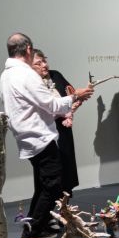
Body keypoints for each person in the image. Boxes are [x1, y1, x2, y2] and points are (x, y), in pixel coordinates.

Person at [0, 33, 93, 238]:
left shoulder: (6, 76)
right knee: (54, 185)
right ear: (28, 50)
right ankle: (32, 232)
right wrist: (75, 96)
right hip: (39, 137)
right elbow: (52, 105)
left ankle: (35, 227)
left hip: (27, 137)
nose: (43, 65)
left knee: (45, 185)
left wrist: (71, 103)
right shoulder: (26, 75)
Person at [31, 49, 82, 196]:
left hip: (63, 130)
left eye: (44, 60)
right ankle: (48, 206)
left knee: (66, 169)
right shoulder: (31, 83)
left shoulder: (56, 75)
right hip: (44, 133)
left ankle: (65, 205)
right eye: (38, 63)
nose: (44, 65)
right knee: (48, 176)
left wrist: (69, 114)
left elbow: (74, 97)